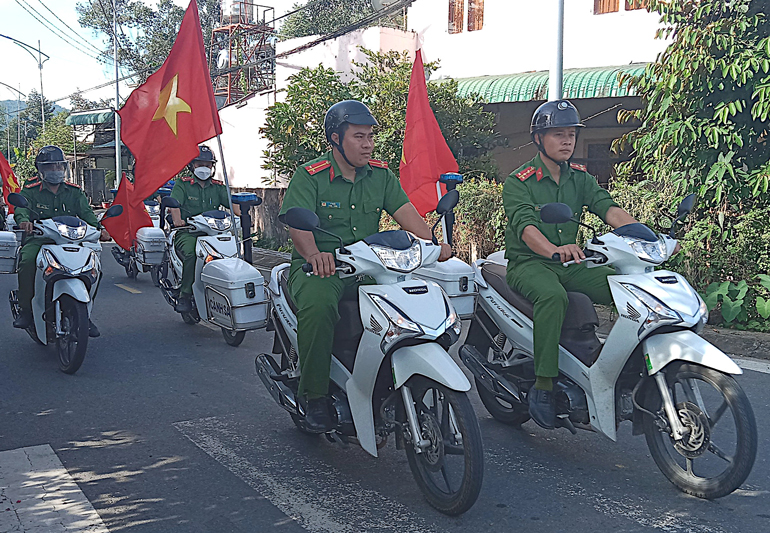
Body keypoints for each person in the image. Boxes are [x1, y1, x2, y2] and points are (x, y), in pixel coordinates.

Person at [278, 99, 453, 432]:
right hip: (322, 270)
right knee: (319, 307)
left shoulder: (381, 176)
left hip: (371, 268)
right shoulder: (311, 175)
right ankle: (314, 396)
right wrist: (315, 254)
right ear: (335, 139)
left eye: (370, 136)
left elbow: (406, 214)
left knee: (408, 307)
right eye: (359, 137)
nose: (368, 143)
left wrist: (434, 244)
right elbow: (298, 227)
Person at [503, 100, 638, 429]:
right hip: (530, 264)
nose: (567, 141)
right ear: (538, 139)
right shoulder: (519, 182)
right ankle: (544, 386)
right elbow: (526, 227)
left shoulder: (580, 178)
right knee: (553, 297)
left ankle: (625, 368)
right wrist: (552, 250)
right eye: (558, 134)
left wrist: (643, 238)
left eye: (571, 135)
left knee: (627, 287)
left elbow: (608, 208)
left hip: (571, 263)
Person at [13, 145, 110, 336]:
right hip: (41, 240)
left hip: (71, 241)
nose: (55, 170)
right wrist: (24, 221)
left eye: (59, 166)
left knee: (94, 267)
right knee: (26, 260)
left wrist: (101, 229)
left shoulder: (74, 192)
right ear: (41, 169)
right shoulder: (31, 189)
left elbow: (87, 214)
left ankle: (85, 313)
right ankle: (25, 309)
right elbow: (21, 208)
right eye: (50, 167)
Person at [169, 145, 239, 313]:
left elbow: (232, 206)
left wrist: (243, 215)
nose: (204, 168)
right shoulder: (183, 184)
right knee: (192, 253)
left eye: (207, 165)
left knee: (234, 251)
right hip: (189, 232)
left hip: (215, 232)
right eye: (199, 164)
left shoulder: (217, 186)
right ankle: (184, 294)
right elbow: (175, 204)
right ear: (192, 166)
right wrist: (178, 220)